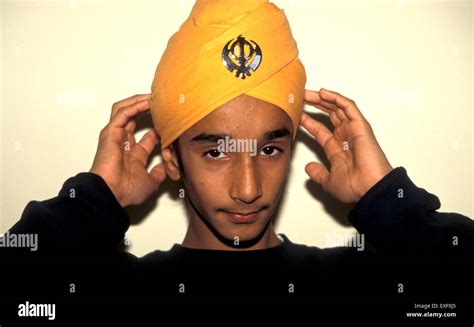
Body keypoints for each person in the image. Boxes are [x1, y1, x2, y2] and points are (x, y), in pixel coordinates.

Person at [1, 0, 473, 321]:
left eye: (270, 149)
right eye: (215, 151)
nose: (248, 188)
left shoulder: (351, 289)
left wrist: (385, 200)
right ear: (173, 159)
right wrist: (93, 201)